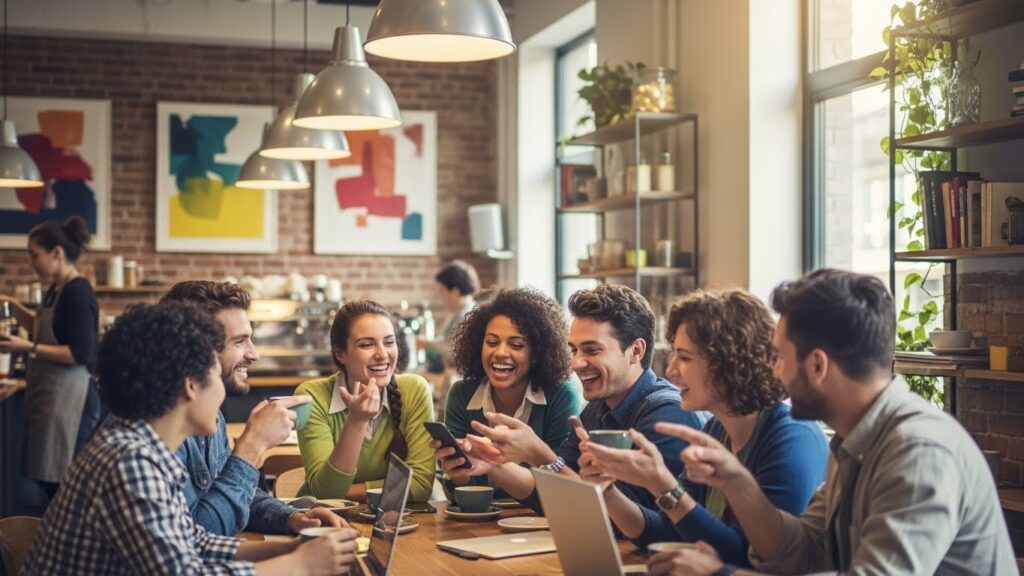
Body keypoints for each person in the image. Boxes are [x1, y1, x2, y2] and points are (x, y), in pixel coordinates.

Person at [648, 269, 1016, 576]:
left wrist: (719, 573)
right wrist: (737, 482)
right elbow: (804, 549)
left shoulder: (918, 450)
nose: (773, 371)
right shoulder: (855, 438)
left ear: (818, 365)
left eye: (779, 358)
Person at [22, 302, 359, 575]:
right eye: (214, 373)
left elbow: (194, 542)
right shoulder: (131, 462)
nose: (221, 392)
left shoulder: (146, 449)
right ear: (190, 385)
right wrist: (299, 566)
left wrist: (293, 546)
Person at [578, 289, 828, 565]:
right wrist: (608, 492)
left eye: (684, 357)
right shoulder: (716, 431)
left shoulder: (792, 437)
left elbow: (754, 558)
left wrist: (664, 485)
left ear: (727, 361)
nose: (671, 370)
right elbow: (670, 533)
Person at [438, 284, 706, 514]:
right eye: (574, 350)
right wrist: (493, 466)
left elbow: (624, 520)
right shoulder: (597, 410)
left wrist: (539, 454)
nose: (576, 363)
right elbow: (555, 495)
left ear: (635, 351)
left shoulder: (666, 415)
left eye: (591, 350)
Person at [161, 281, 343, 536]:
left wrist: (292, 518)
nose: (254, 354)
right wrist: (252, 445)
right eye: (239, 342)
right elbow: (196, 537)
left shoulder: (209, 416)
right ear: (198, 351)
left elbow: (235, 493)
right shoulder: (159, 431)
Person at [433, 287, 582, 497]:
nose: (501, 353)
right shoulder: (462, 393)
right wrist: (458, 469)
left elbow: (562, 483)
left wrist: (493, 462)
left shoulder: (561, 395)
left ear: (537, 353)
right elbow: (464, 491)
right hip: (480, 521)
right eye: (492, 342)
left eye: (517, 345)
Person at [0, 216, 100, 500]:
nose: (31, 261)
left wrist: (26, 347)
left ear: (56, 252)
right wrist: (13, 307)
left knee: (65, 483)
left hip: (74, 401)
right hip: (55, 399)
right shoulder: (57, 289)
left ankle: (68, 541)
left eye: (35, 255)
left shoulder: (78, 292)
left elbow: (79, 352)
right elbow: (49, 328)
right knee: (49, 479)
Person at [296, 299, 435, 501]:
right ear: (340, 353)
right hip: (326, 523)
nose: (382, 354)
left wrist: (346, 493)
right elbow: (326, 494)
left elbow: (420, 486)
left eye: (389, 342)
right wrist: (357, 421)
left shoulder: (414, 390)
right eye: (367, 344)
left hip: (395, 525)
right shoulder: (313, 397)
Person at [417, 259, 479, 372]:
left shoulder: (468, 317)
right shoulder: (459, 313)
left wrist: (428, 344)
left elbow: (455, 353)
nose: (440, 295)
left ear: (455, 291)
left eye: (442, 290)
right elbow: (447, 342)